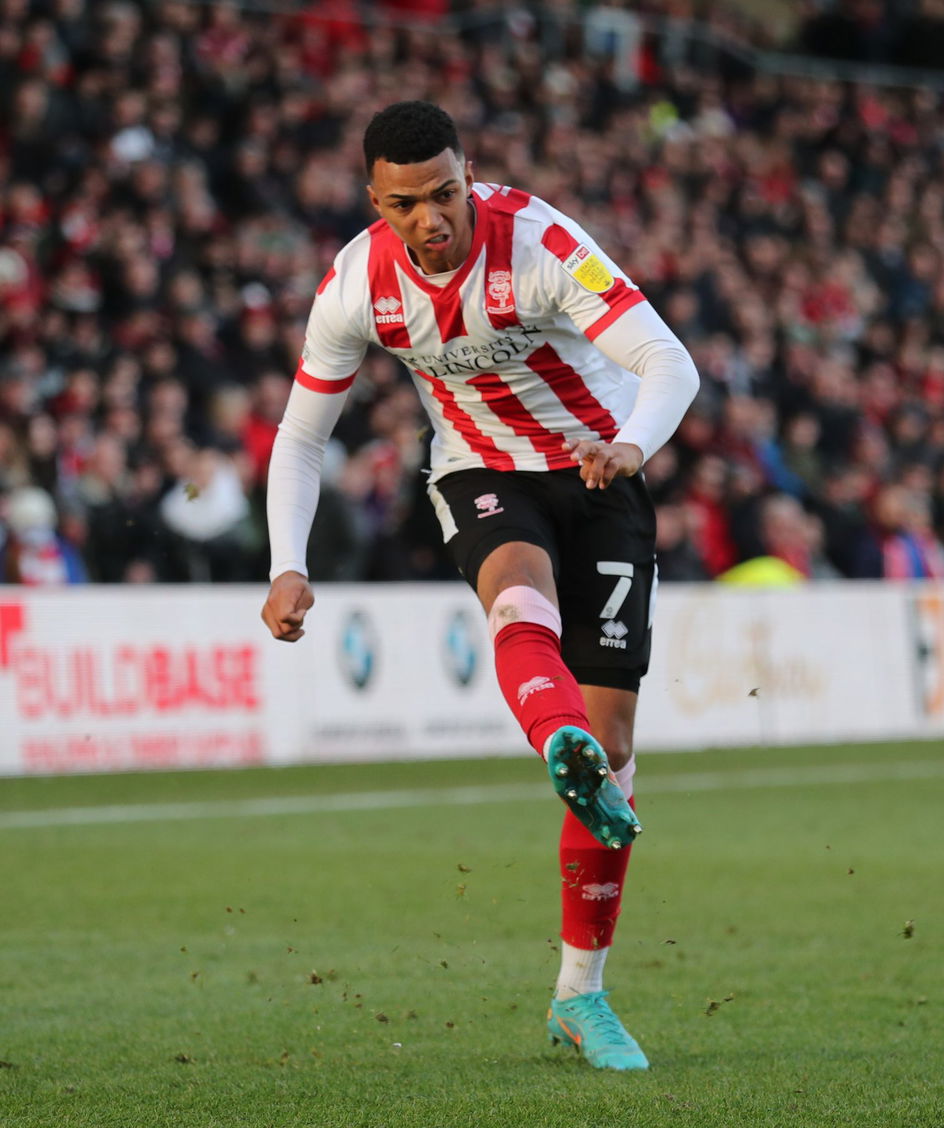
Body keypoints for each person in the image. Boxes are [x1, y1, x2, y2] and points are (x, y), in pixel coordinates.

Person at [259, 101, 699, 1071]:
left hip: (601, 473)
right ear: (376, 201)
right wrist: (287, 561)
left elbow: (668, 362)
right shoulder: (353, 286)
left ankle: (578, 998)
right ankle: (559, 743)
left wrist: (629, 445)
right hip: (480, 472)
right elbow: (300, 436)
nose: (431, 219)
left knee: (617, 751)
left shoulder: (541, 243)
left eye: (446, 193)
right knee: (517, 599)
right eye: (406, 203)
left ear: (469, 177)